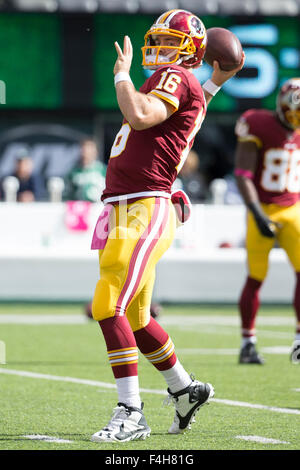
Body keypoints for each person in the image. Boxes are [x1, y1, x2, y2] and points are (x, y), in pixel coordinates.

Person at [90, 9, 244, 443]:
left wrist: (121, 76)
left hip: (143, 206)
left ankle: (131, 412)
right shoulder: (185, 84)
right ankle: (184, 388)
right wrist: (216, 83)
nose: (159, 50)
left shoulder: (174, 76)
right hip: (125, 205)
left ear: (190, 52)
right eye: (156, 40)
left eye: (169, 42)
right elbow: (193, 111)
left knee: (108, 304)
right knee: (136, 318)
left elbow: (140, 115)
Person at [234, 78, 300, 365]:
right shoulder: (258, 123)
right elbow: (243, 174)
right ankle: (248, 343)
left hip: (293, 207)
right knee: (256, 276)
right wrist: (257, 213)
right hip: (262, 206)